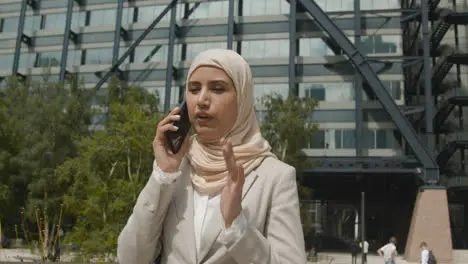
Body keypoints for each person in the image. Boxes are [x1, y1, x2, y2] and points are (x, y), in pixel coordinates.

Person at [117, 49, 306, 264]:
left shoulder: (275, 177)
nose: (202, 100)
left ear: (242, 98)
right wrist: (163, 176)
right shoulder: (175, 168)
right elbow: (130, 259)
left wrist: (237, 224)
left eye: (217, 89)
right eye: (194, 89)